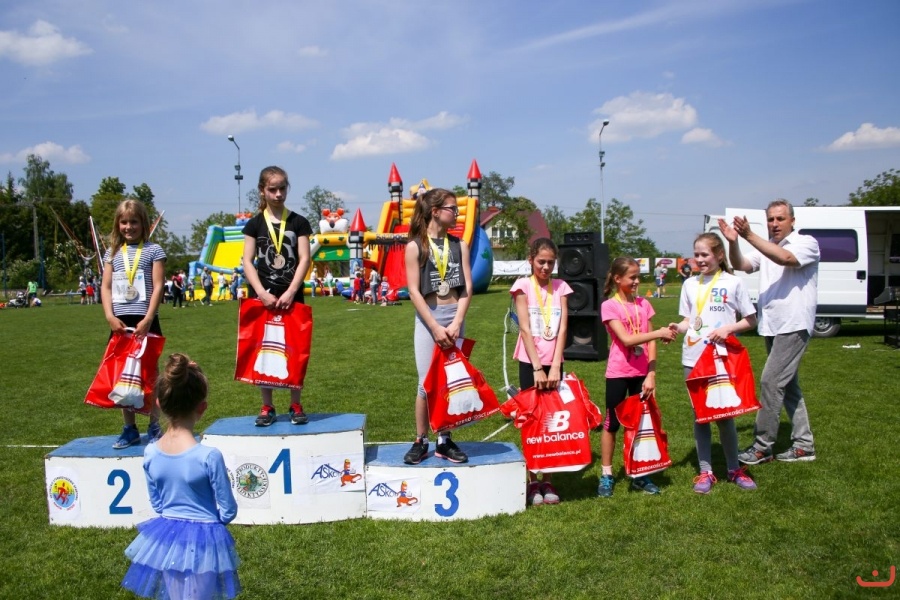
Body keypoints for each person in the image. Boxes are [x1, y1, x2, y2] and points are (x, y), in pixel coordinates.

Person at [120, 353, 240, 599]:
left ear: (159, 404)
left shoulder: (151, 452)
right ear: (202, 407)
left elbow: (157, 503)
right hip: (205, 537)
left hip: (167, 536)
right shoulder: (208, 456)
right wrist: (211, 526)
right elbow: (228, 509)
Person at [720, 199, 820, 465]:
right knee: (788, 386)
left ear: (792, 221)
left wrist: (749, 235)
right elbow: (740, 264)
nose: (774, 224)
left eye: (780, 218)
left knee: (770, 382)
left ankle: (762, 447)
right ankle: (804, 444)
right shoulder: (767, 247)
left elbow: (785, 258)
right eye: (771, 219)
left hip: (794, 324)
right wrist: (733, 241)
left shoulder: (805, 242)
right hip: (773, 325)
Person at [669, 233, 758, 494]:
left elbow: (751, 320)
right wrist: (678, 327)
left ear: (719, 255)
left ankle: (734, 469)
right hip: (693, 358)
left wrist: (728, 329)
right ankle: (705, 471)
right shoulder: (689, 284)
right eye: (696, 254)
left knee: (725, 416)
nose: (699, 259)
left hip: (721, 358)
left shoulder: (733, 282)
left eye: (704, 254)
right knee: (701, 417)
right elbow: (689, 321)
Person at [402, 188, 473, 465]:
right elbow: (413, 291)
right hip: (428, 319)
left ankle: (444, 440)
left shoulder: (460, 245)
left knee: (450, 381)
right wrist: (434, 327)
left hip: (454, 318)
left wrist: (457, 322)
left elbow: (466, 288)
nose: (456, 213)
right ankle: (421, 440)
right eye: (452, 209)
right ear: (435, 211)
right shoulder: (415, 246)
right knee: (425, 383)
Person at [597, 257, 676, 497]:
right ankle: (607, 474)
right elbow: (626, 339)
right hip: (618, 373)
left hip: (642, 374)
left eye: (638, 276)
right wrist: (659, 332)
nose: (637, 281)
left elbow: (651, 343)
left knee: (641, 425)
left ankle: (639, 474)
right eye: (632, 277)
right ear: (617, 278)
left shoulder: (644, 304)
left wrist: (651, 374)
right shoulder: (609, 306)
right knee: (612, 423)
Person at [242, 166, 313, 426]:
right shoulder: (254, 224)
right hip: (263, 298)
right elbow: (247, 261)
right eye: (272, 189)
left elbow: (304, 258)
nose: (278, 194)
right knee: (264, 350)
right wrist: (261, 293)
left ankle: (295, 404)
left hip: (292, 296)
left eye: (283, 188)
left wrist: (292, 291)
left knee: (295, 348)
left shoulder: (299, 222)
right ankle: (267, 406)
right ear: (262, 190)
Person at [510, 237, 572, 505]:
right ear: (531, 260)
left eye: (550, 262)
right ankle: (532, 481)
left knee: (552, 420)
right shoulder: (522, 286)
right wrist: (537, 367)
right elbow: (524, 328)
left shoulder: (561, 287)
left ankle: (547, 479)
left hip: (554, 362)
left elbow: (563, 328)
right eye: (541, 262)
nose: (546, 267)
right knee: (532, 420)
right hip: (530, 361)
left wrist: (556, 365)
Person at [101, 199, 166, 449]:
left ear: (144, 224)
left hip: (146, 320)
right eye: (124, 222)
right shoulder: (112, 254)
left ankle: (154, 424)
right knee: (123, 376)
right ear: (118, 224)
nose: (129, 227)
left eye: (134, 222)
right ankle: (129, 428)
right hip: (120, 322)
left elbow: (158, 286)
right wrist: (109, 316)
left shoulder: (154, 250)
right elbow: (106, 287)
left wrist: (149, 318)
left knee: (150, 374)